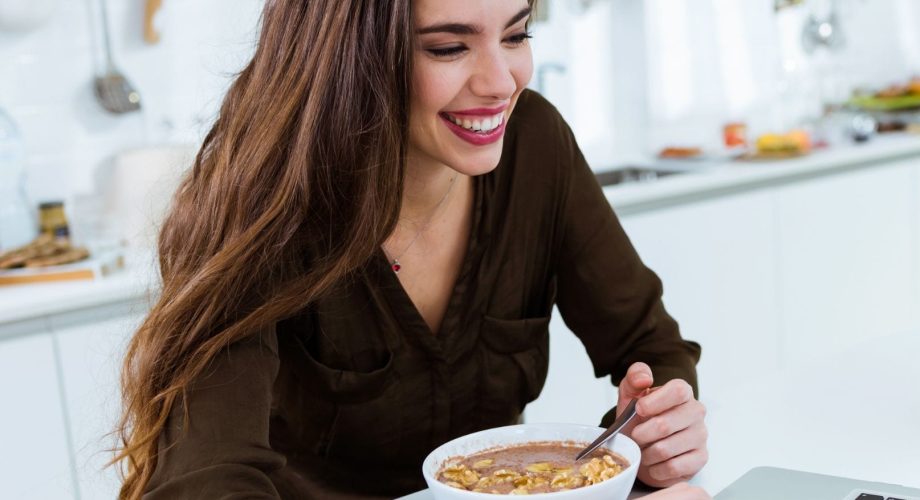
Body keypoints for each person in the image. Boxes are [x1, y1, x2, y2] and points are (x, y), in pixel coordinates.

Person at [113, 1, 709, 498]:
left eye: (517, 34)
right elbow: (207, 478)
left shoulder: (536, 143)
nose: (502, 82)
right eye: (449, 48)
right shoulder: (258, 202)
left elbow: (650, 345)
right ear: (349, 59)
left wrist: (647, 436)